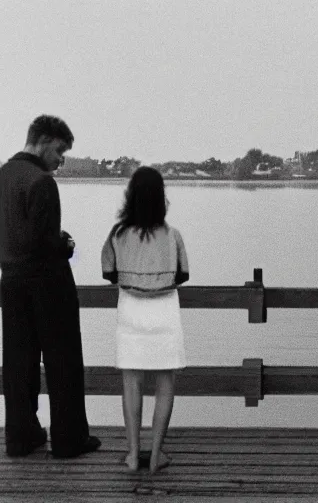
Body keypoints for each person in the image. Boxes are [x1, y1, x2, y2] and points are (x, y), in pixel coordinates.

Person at [0, 114, 100, 458]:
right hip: (48, 284)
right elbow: (43, 242)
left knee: (19, 362)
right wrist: (65, 245)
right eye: (59, 150)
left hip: (11, 281)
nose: (61, 159)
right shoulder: (42, 182)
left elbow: (19, 234)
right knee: (63, 360)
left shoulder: (3, 175)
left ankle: (21, 436)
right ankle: (69, 439)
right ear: (41, 142)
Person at [101, 166, 189, 474]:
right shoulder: (173, 235)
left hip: (131, 311)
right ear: (161, 198)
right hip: (165, 310)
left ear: (131, 196)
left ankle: (133, 454)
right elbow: (183, 275)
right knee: (165, 383)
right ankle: (155, 457)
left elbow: (109, 273)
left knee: (132, 384)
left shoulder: (119, 235)